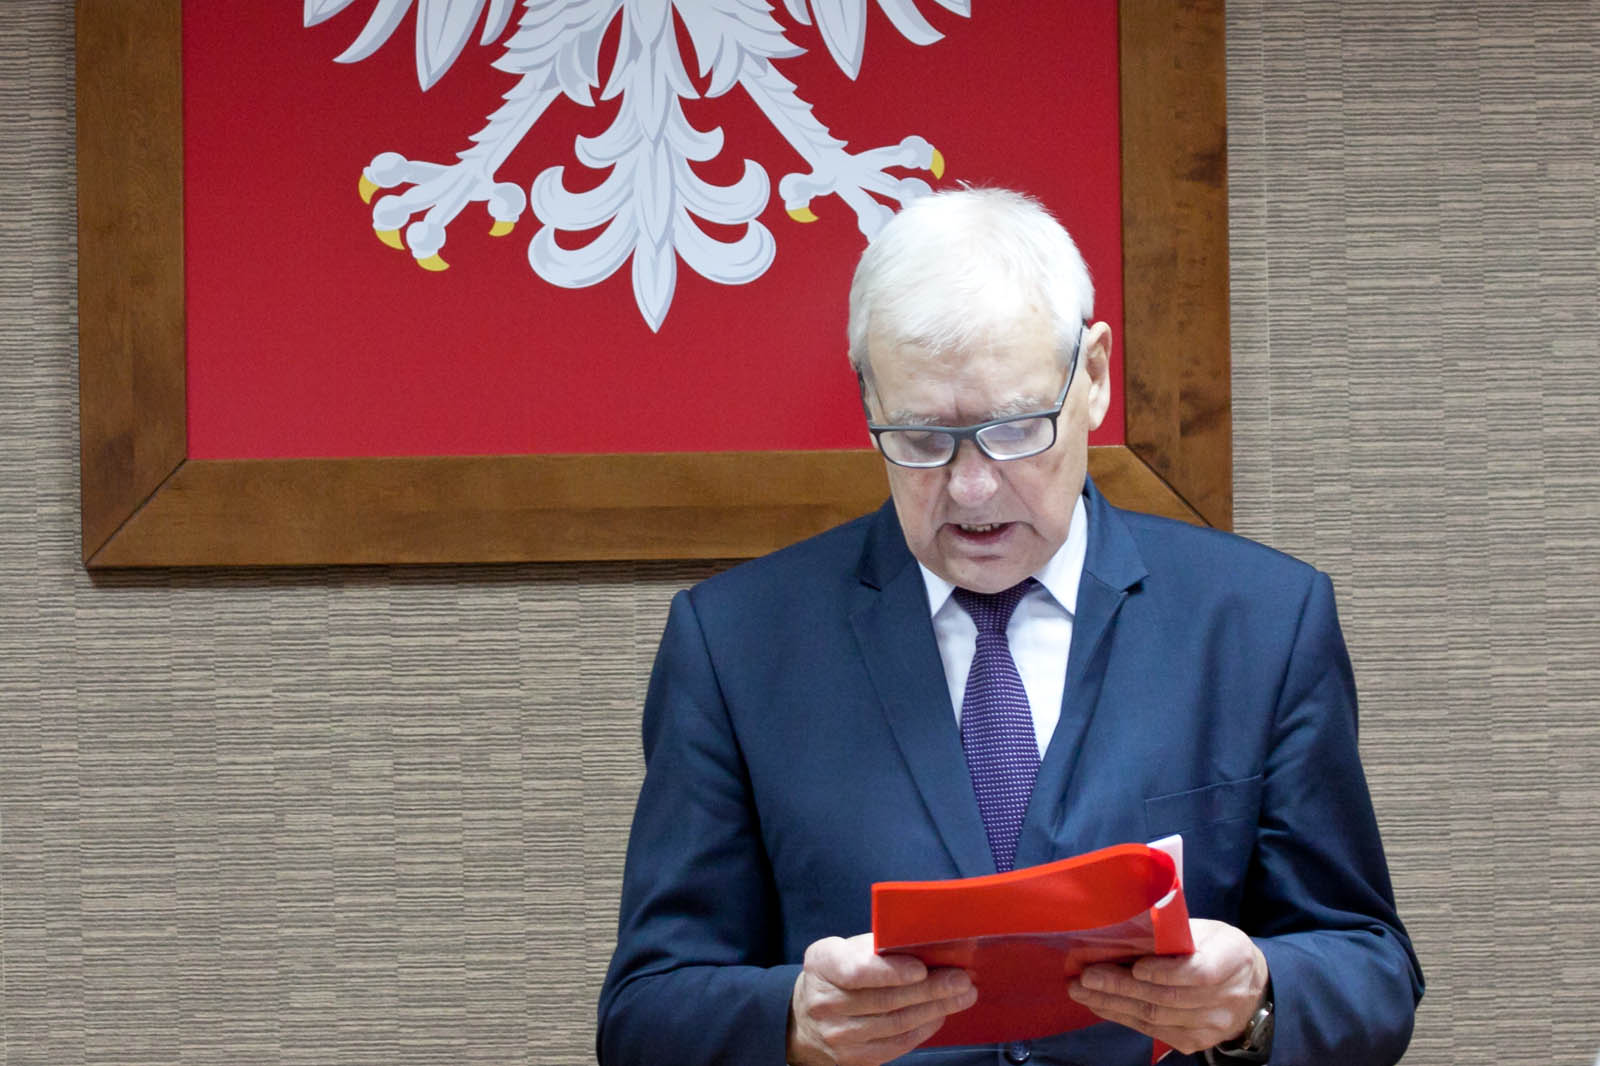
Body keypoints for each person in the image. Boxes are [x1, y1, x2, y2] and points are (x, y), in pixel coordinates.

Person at [597, 188, 1423, 1065]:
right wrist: (795, 1023)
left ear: (1094, 376)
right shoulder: (734, 645)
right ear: (868, 397)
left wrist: (1256, 999)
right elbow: (646, 1013)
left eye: (1018, 428)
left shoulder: (1262, 622)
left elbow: (1370, 968)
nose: (973, 488)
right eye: (922, 439)